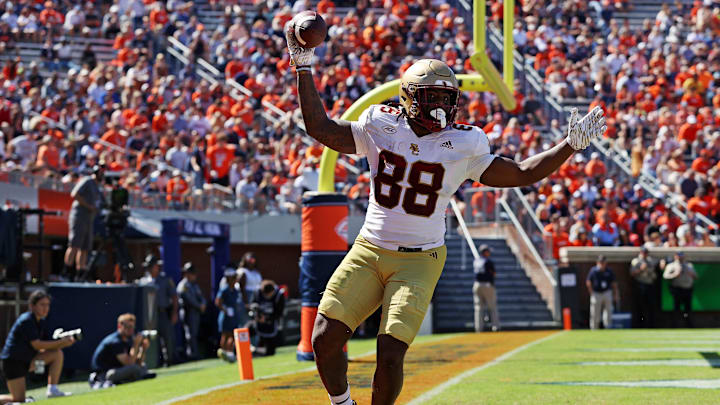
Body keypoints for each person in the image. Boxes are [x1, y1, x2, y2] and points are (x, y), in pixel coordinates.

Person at [285, 26, 606, 405]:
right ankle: (342, 404)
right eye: (431, 97)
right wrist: (303, 66)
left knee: (389, 354)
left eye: (446, 97)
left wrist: (569, 145)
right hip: (369, 249)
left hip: (421, 259)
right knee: (323, 337)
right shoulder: (380, 124)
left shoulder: (466, 143)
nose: (440, 106)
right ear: (407, 99)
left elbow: (522, 173)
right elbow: (319, 128)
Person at [0, 291, 74, 404]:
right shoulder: (27, 320)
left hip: (28, 361)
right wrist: (61, 342)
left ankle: (52, 390)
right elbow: (37, 344)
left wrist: (63, 342)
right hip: (13, 363)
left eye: (47, 305)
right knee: (19, 400)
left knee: (57, 354)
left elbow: (42, 347)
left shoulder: (41, 321)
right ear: (32, 306)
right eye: (42, 304)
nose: (46, 308)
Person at [63, 165, 105, 281]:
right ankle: (66, 272)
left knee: (85, 248)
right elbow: (74, 194)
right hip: (79, 216)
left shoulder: (97, 187)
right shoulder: (87, 181)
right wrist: (89, 206)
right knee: (74, 245)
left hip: (89, 219)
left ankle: (80, 274)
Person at [90, 313, 155, 387]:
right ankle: (141, 376)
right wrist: (136, 344)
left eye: (132, 327)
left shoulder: (127, 339)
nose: (131, 330)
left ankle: (141, 375)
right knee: (134, 368)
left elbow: (138, 362)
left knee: (142, 366)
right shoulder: (115, 341)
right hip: (104, 374)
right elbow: (129, 363)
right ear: (119, 326)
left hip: (119, 368)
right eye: (128, 327)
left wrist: (143, 349)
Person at [138, 254, 178, 366]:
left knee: (168, 338)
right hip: (149, 316)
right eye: (150, 266)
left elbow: (174, 297)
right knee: (151, 340)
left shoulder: (165, 279)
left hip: (163, 312)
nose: (152, 268)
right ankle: (153, 362)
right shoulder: (143, 281)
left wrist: (175, 312)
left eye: (153, 265)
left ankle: (169, 361)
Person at [246, 280, 286, 356]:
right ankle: (237, 351)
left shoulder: (279, 295)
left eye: (268, 295)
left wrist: (267, 319)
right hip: (258, 322)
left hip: (271, 324)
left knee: (270, 352)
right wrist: (256, 313)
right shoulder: (258, 292)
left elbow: (279, 313)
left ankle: (254, 350)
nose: (267, 297)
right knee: (244, 330)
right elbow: (252, 304)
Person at [177, 262, 206, 360]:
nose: (194, 276)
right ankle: (191, 354)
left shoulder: (194, 285)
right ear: (187, 274)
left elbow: (200, 296)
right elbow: (188, 299)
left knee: (195, 333)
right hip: (188, 312)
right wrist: (199, 306)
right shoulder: (183, 285)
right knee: (190, 334)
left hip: (196, 312)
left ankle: (195, 352)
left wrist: (203, 304)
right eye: (192, 273)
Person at [663, 252, 698, 327]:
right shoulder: (671, 265)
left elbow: (696, 276)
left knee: (688, 308)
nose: (680, 258)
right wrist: (675, 274)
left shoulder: (689, 265)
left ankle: (689, 324)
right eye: (679, 256)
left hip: (688, 289)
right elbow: (665, 276)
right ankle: (675, 324)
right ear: (675, 256)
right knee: (677, 308)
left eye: (682, 256)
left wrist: (691, 273)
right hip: (677, 289)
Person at [586, 255, 620, 329]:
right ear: (597, 262)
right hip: (596, 293)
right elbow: (588, 282)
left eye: (603, 262)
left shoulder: (609, 270)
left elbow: (614, 283)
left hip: (607, 292)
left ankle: (608, 327)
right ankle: (594, 328)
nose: (602, 264)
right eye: (600, 262)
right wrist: (591, 293)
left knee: (608, 311)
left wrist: (615, 294)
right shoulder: (593, 270)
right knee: (595, 312)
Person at [472, 244, 499, 332]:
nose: (489, 253)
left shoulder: (476, 261)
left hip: (477, 285)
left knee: (478, 308)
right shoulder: (488, 262)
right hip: (487, 285)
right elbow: (494, 273)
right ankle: (495, 326)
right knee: (492, 307)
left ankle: (478, 328)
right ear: (485, 252)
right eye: (488, 251)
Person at [215, 268, 240, 363]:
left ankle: (230, 352)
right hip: (226, 316)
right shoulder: (224, 289)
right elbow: (218, 302)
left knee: (233, 334)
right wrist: (225, 309)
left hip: (233, 315)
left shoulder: (235, 289)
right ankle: (224, 353)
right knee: (225, 334)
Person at [629, 246, 658, 328]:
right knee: (640, 306)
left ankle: (651, 325)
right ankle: (640, 324)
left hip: (650, 284)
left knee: (651, 306)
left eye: (646, 253)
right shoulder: (636, 261)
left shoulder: (650, 261)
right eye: (644, 252)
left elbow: (654, 272)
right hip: (640, 284)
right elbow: (632, 273)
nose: (645, 254)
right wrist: (641, 269)